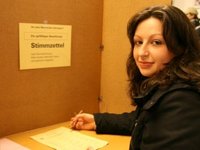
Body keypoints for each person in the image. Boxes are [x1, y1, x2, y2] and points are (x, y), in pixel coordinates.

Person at [71, 5, 200, 150]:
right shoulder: (166, 85)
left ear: (180, 47)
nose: (141, 53)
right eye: (138, 42)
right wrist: (97, 121)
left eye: (156, 42)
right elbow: (142, 119)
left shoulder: (183, 100)